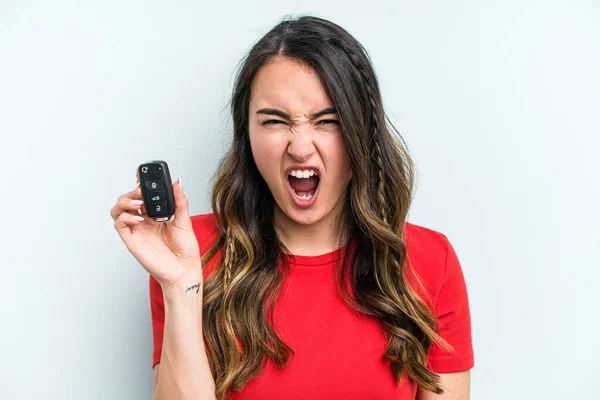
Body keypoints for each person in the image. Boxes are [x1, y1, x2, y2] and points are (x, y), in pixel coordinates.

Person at [110, 15, 474, 400]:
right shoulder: (189, 253)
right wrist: (181, 285)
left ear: (362, 132)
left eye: (328, 121)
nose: (300, 147)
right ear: (246, 134)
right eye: (275, 122)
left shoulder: (430, 262)